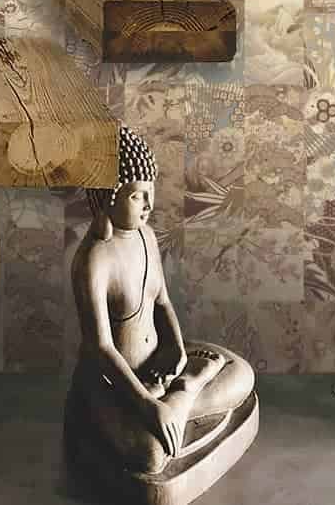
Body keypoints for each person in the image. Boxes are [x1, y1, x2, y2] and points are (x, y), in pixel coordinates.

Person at [68, 125, 255, 475]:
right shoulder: (94, 260)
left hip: (160, 364)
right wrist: (145, 404)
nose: (149, 205)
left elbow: (162, 303)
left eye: (150, 192)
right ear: (108, 198)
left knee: (242, 373)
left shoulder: (148, 237)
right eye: (137, 196)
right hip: (113, 383)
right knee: (151, 456)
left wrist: (177, 350)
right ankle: (185, 393)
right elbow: (100, 348)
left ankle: (179, 392)